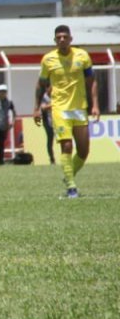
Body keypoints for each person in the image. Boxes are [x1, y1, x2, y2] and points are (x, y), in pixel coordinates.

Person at [34, 24, 99, 198]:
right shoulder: (48, 60)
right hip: (60, 108)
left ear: (71, 39)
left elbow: (92, 80)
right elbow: (41, 84)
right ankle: (71, 187)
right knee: (67, 146)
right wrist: (36, 108)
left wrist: (95, 105)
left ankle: (68, 175)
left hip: (79, 108)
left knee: (84, 151)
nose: (62, 40)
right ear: (55, 40)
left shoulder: (82, 56)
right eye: (58, 37)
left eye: (65, 37)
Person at [39, 89, 55, 164]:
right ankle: (52, 159)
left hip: (57, 120)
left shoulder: (56, 95)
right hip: (47, 122)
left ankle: (65, 157)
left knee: (63, 139)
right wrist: (54, 104)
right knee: (50, 140)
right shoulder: (44, 97)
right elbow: (43, 108)